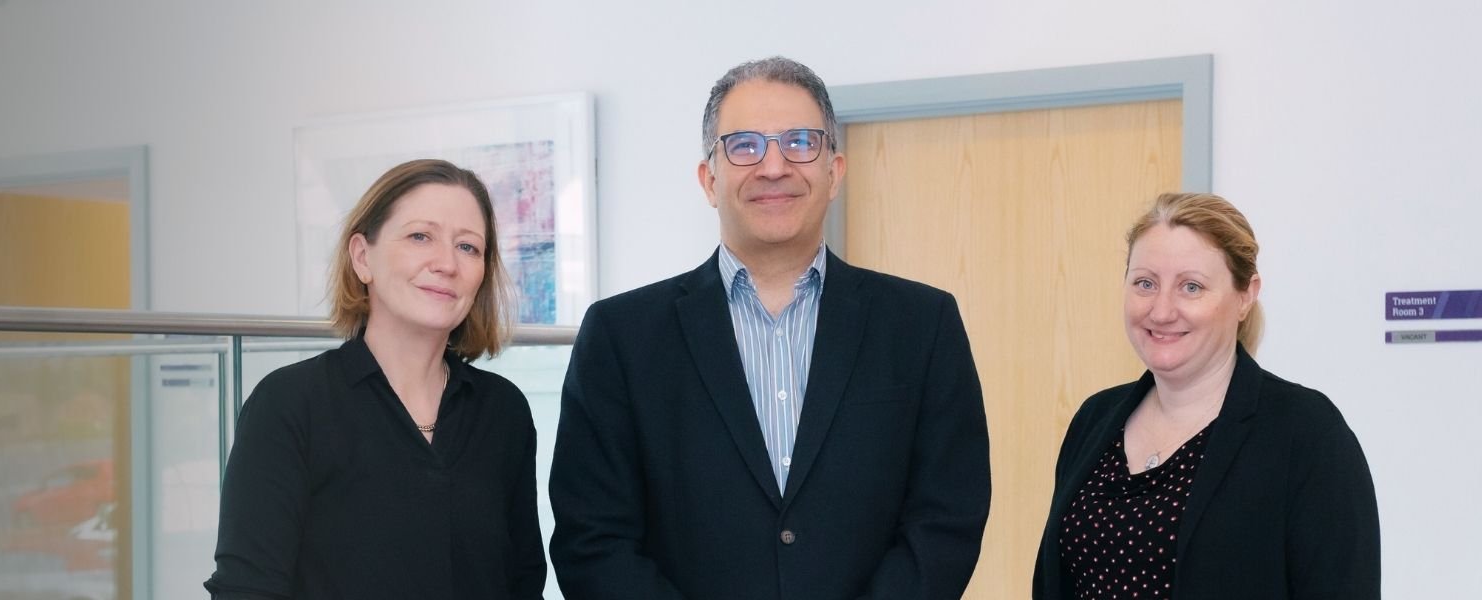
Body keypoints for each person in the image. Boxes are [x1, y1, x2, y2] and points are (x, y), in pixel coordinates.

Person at [549, 56, 992, 599]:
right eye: (745, 145)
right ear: (709, 179)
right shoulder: (622, 337)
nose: (775, 166)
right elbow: (592, 540)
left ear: (834, 171)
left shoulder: (922, 325)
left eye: (801, 141)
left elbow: (945, 520)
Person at [204, 159, 545, 599]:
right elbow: (246, 590)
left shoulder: (503, 410)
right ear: (363, 257)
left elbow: (523, 582)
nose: (446, 263)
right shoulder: (289, 404)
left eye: (468, 247)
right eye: (420, 236)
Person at [1032, 192, 1380, 599]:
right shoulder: (1095, 418)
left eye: (1191, 287)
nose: (1161, 311)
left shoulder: (1305, 432)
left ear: (1246, 295)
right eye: (1145, 283)